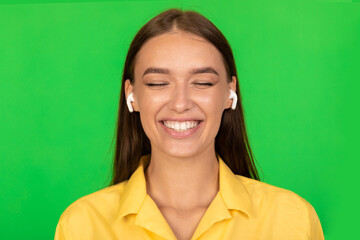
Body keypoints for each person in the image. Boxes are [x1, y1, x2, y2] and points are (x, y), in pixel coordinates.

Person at [54, 8, 324, 240]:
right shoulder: (82, 225)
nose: (180, 103)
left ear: (230, 93)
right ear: (131, 96)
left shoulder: (293, 219)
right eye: (158, 83)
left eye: (202, 82)